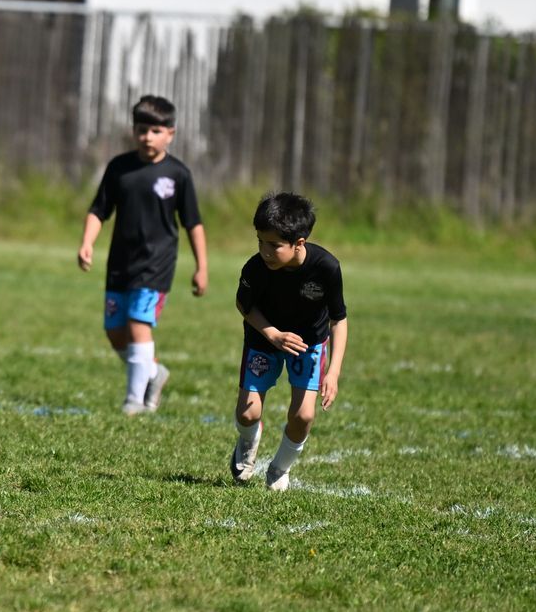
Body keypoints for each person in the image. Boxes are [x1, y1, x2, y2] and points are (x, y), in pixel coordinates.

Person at [77, 95, 208, 415]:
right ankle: (152, 372)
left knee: (138, 324)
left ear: (170, 134)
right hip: (121, 262)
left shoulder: (178, 174)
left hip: (157, 264)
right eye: (141, 130)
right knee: (114, 330)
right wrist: (87, 242)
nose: (147, 137)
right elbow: (99, 210)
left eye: (155, 131)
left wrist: (201, 266)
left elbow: (193, 223)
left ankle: (134, 400)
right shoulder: (119, 168)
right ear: (133, 131)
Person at [230, 191, 348, 490]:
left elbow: (339, 319)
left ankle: (280, 468)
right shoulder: (255, 268)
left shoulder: (327, 268)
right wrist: (272, 333)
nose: (264, 251)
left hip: (308, 343)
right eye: (259, 241)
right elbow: (244, 305)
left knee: (304, 415)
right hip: (263, 338)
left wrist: (333, 371)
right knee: (247, 412)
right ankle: (248, 441)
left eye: (273, 245)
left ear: (299, 243)